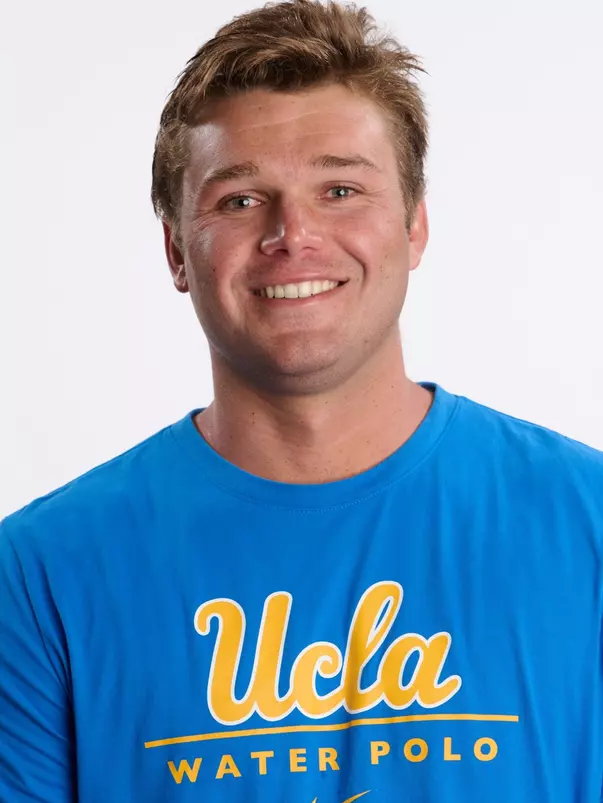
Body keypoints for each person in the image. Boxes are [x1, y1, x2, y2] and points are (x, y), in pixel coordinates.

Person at [1, 0, 602, 800]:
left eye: (340, 188)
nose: (293, 234)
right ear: (179, 249)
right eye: (241, 200)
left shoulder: (586, 523)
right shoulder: (39, 574)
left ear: (414, 226)